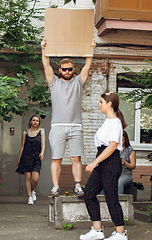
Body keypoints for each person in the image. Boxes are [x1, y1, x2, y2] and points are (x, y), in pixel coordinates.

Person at [41, 38, 96, 197]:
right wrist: (43, 49)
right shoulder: (54, 82)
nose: (67, 72)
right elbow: (46, 65)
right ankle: (55, 187)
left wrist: (91, 49)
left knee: (75, 158)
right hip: (57, 126)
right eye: (64, 69)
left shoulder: (79, 82)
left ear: (73, 70)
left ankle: (78, 187)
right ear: (60, 70)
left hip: (75, 126)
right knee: (56, 158)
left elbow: (87, 66)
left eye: (70, 69)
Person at [80, 92, 129, 240]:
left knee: (111, 197)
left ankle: (120, 233)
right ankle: (97, 230)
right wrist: (97, 162)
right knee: (89, 193)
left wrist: (95, 162)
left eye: (101, 102)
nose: (99, 104)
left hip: (110, 161)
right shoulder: (108, 122)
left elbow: (113, 146)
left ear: (109, 104)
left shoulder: (115, 122)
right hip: (102, 160)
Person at [16, 115, 45, 205]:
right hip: (26, 157)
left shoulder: (41, 133)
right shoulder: (25, 133)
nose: (35, 122)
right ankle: (29, 197)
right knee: (27, 178)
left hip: (36, 157)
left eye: (37, 120)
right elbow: (22, 146)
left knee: (35, 179)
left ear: (39, 123)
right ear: (30, 122)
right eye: (33, 120)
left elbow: (43, 144)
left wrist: (42, 153)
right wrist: (19, 159)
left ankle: (32, 191)